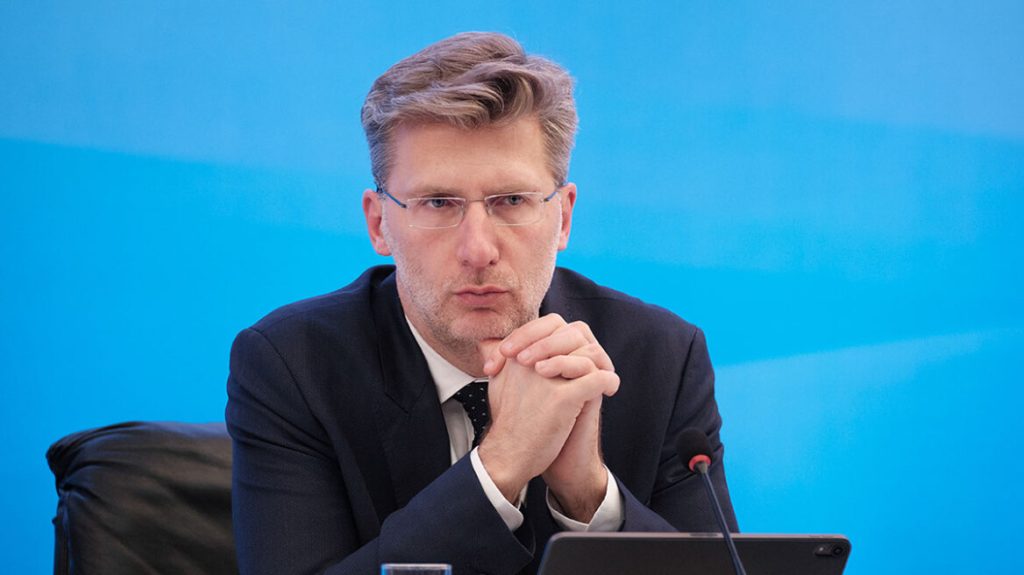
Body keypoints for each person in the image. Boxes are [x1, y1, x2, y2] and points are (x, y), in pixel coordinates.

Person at [226, 31, 736, 575]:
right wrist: (501, 465)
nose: (478, 250)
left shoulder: (660, 356)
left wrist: (589, 497)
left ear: (563, 217)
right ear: (379, 224)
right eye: (438, 203)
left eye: (511, 200)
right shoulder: (294, 364)